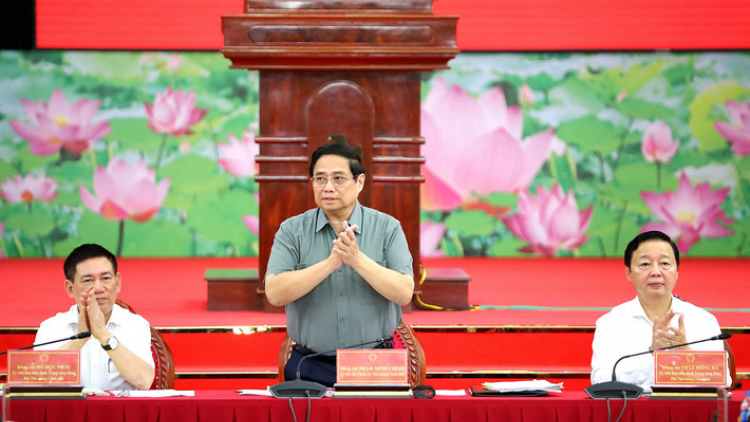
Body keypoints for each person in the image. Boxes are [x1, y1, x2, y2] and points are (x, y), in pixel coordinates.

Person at [265, 142, 414, 387]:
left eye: (338, 178)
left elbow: (404, 293)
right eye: (320, 179)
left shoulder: (388, 228)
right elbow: (275, 293)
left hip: (374, 363)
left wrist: (357, 260)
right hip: (310, 363)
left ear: (360, 182)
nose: (328, 187)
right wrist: (331, 263)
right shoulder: (291, 231)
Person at [590, 231, 731, 392]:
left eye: (664, 263)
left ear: (677, 271)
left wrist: (688, 356)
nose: (656, 272)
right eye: (645, 264)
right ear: (629, 272)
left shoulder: (703, 320)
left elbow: (724, 382)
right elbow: (600, 381)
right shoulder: (611, 323)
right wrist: (652, 355)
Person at [35, 244, 155, 390]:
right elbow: (37, 382)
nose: (98, 288)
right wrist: (80, 340)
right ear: (70, 288)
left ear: (117, 282)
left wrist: (105, 337)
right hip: (69, 412)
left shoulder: (135, 325)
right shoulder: (51, 328)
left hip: (118, 412)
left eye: (105, 278)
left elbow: (144, 381)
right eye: (88, 281)